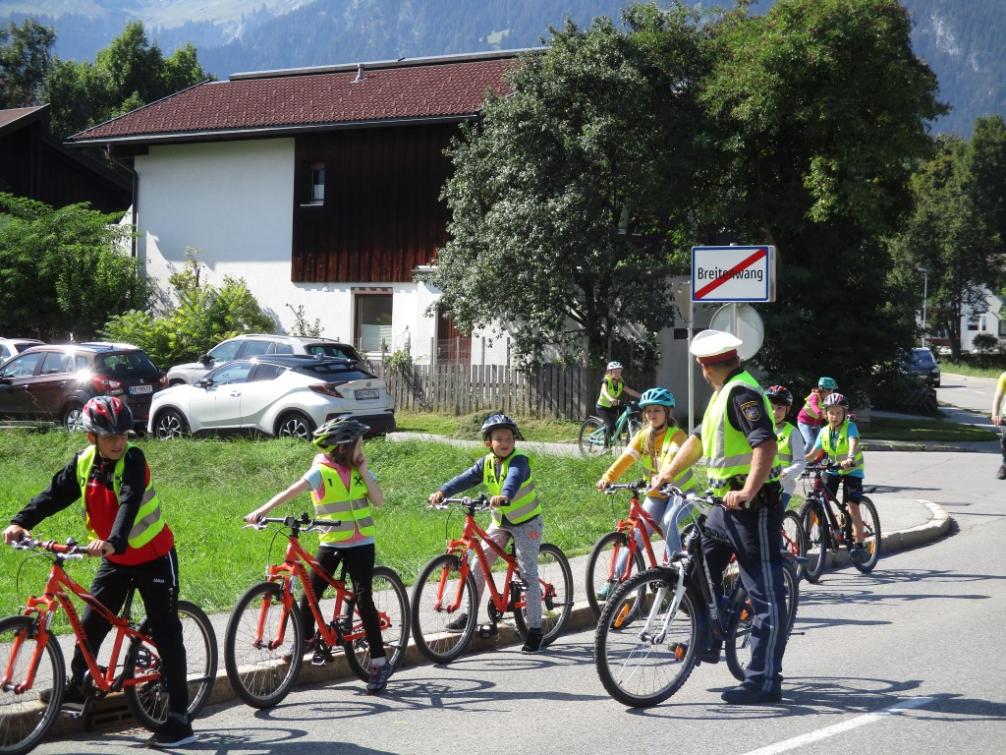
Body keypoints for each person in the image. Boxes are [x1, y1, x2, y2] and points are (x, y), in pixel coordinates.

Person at [2, 396, 194, 748]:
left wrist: (113, 541)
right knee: (90, 625)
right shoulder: (84, 463)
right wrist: (20, 522)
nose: (118, 442)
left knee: (166, 632)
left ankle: (180, 718)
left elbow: (130, 500)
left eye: (122, 434)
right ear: (91, 437)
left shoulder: (133, 459)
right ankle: (77, 688)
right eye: (109, 436)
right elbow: (54, 495)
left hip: (153, 556)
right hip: (116, 560)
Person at [657, 329, 787, 705]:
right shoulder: (721, 395)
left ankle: (763, 680)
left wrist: (747, 490)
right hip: (720, 508)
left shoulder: (742, 393)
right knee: (696, 566)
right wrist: (667, 474)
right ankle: (709, 637)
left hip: (752, 508)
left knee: (765, 594)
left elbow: (765, 443)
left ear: (703, 365)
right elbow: (695, 441)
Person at [244, 416, 392, 694]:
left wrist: (365, 470)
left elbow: (378, 500)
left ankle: (379, 660)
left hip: (361, 543)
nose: (364, 450)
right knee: (309, 593)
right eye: (360, 445)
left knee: (363, 597)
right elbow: (292, 491)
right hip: (333, 541)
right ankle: (308, 640)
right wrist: (261, 511)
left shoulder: (360, 469)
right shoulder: (321, 470)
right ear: (345, 447)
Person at [428, 413, 545, 653]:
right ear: (488, 443)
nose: (504, 442)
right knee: (477, 566)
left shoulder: (519, 461)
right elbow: (465, 478)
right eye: (499, 438)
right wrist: (443, 491)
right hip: (501, 521)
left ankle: (535, 629)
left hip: (527, 523)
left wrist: (505, 495)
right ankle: (469, 615)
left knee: (527, 573)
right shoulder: (486, 463)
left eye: (509, 438)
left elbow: (512, 479)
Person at [595, 388, 698, 595]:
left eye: (657, 410)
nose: (652, 415)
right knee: (636, 535)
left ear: (667, 412)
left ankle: (676, 573)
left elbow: (671, 461)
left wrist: (661, 478)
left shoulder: (677, 435)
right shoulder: (643, 436)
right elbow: (626, 458)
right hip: (656, 494)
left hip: (682, 493)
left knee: (669, 522)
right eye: (648, 411)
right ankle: (615, 580)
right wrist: (608, 477)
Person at [806, 392, 869, 563]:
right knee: (820, 498)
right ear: (825, 414)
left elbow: (853, 442)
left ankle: (859, 545)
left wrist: (850, 457)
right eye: (831, 412)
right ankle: (807, 538)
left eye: (838, 412)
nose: (834, 416)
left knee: (852, 505)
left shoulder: (850, 427)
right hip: (833, 469)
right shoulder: (824, 431)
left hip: (852, 469)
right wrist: (801, 462)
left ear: (844, 414)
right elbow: (813, 453)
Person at [766, 385, 806, 510]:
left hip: (783, 486)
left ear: (787, 409)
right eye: (771, 408)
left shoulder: (792, 433)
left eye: (780, 408)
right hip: (762, 485)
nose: (775, 412)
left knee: (774, 518)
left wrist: (787, 472)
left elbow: (800, 462)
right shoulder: (760, 430)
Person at [594, 361, 641, 441]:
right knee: (610, 425)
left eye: (619, 372)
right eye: (615, 371)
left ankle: (626, 429)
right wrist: (611, 399)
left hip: (613, 406)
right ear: (609, 371)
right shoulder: (606, 381)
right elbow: (604, 391)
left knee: (626, 414)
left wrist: (643, 396)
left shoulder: (620, 383)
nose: (618, 374)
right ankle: (606, 448)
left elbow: (630, 391)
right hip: (602, 408)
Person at [796, 376, 837, 447]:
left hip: (815, 423)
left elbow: (835, 408)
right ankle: (801, 457)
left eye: (832, 390)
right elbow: (813, 405)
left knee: (821, 442)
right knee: (810, 442)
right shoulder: (814, 396)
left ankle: (817, 457)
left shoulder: (826, 399)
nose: (832, 392)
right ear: (823, 389)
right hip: (804, 422)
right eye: (830, 390)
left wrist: (845, 414)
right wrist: (821, 413)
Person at [992, 370, 1006, 480]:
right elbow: (998, 396)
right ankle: (1004, 466)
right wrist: (995, 414)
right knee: (1005, 443)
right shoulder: (1004, 376)